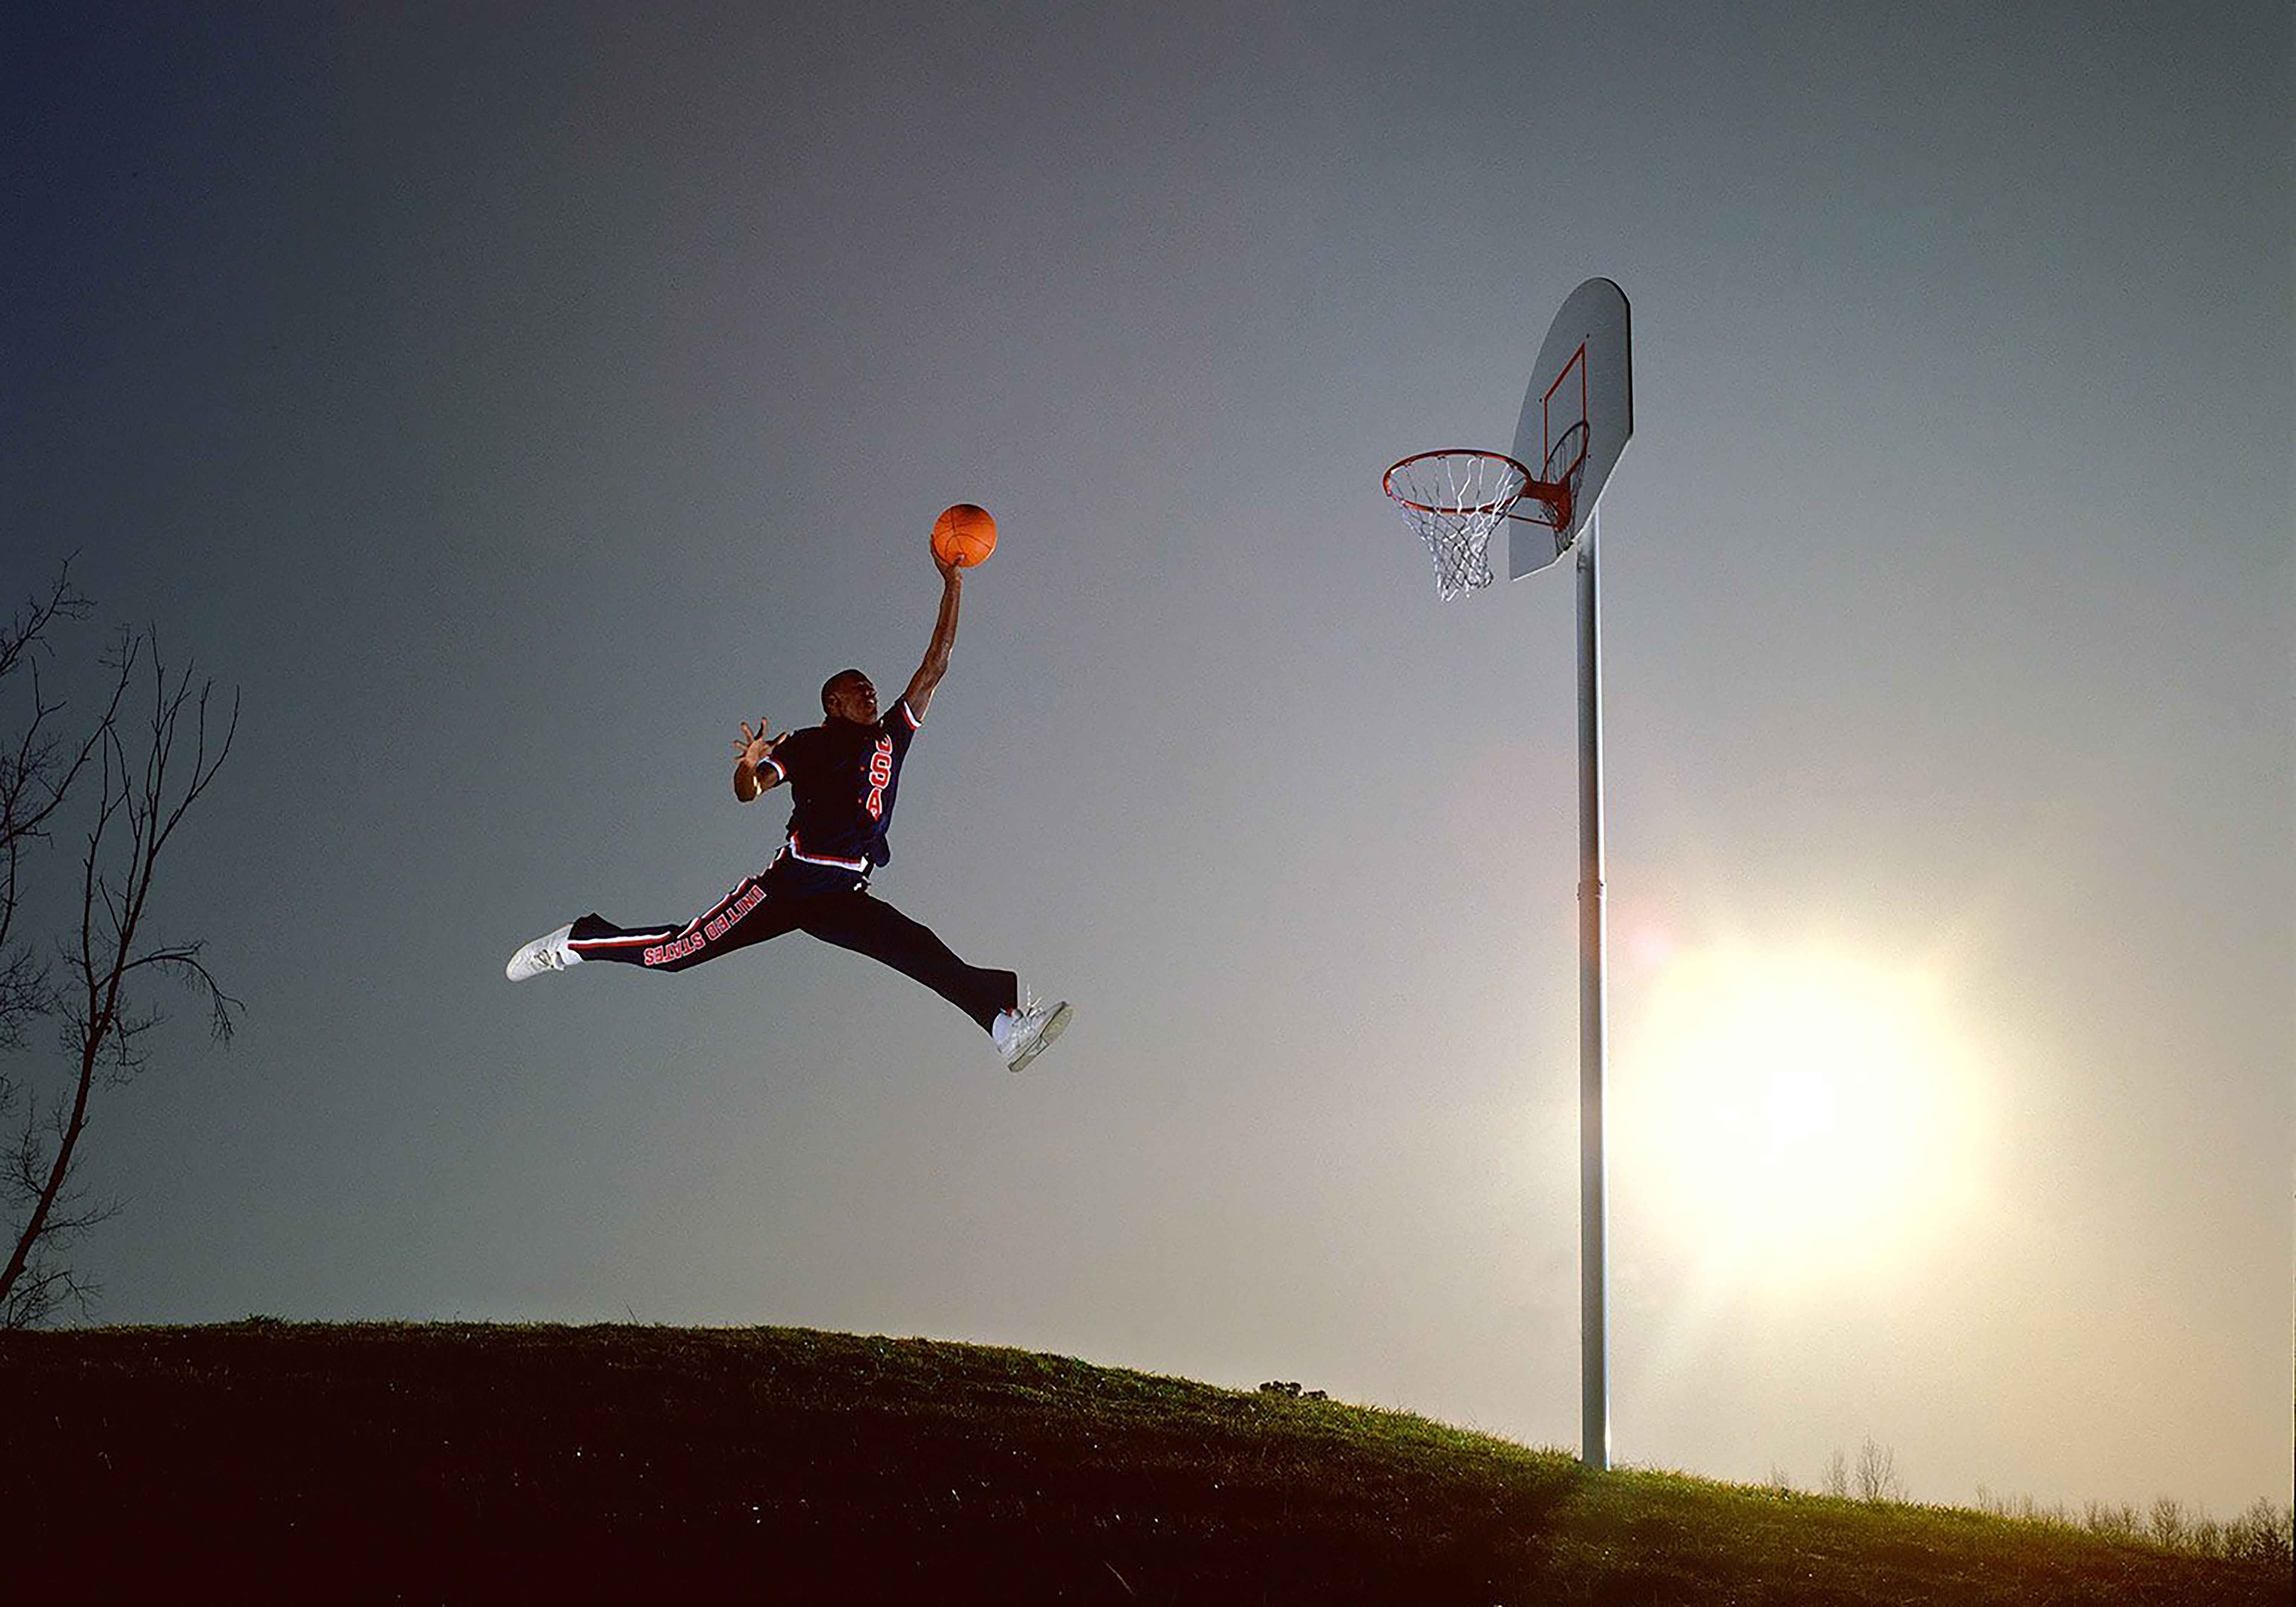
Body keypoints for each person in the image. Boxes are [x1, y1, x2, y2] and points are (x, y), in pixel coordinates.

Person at [505, 549, 1071, 1073]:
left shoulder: (892, 735)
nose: (870, 693)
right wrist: (750, 765)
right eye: (858, 689)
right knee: (677, 952)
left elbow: (935, 665)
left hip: (843, 891)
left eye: (871, 688)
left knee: (916, 948)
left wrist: (953, 584)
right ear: (834, 703)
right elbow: (749, 792)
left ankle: (1003, 1025)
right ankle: (580, 941)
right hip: (791, 885)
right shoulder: (807, 743)